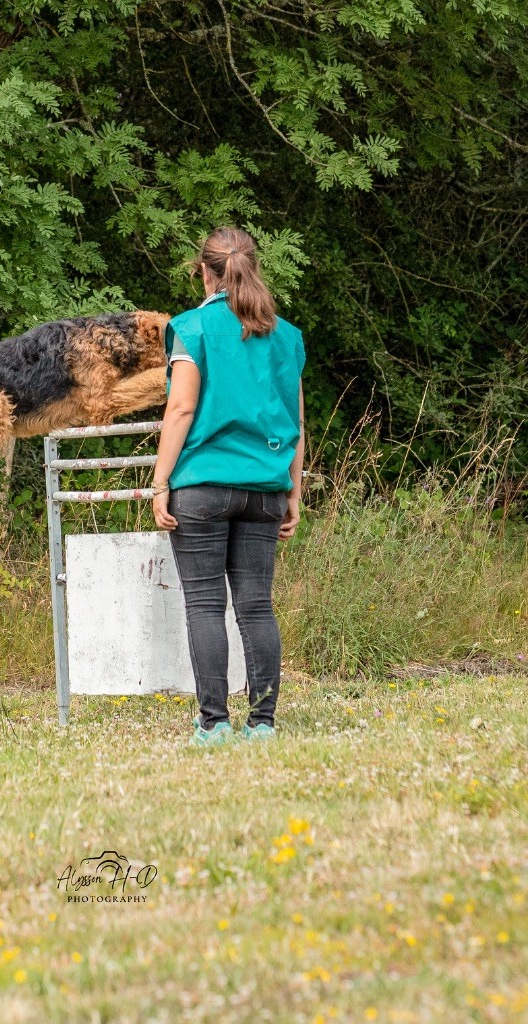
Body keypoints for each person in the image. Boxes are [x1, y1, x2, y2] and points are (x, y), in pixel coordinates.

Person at [152, 226, 305, 747]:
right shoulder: (286, 336)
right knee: (256, 605)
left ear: (203, 271)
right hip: (266, 487)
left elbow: (181, 409)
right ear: (253, 268)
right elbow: (296, 422)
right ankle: (262, 725)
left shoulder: (191, 328)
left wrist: (158, 484)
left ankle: (214, 724)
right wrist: (294, 492)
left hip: (202, 486)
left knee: (204, 604)